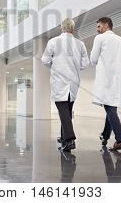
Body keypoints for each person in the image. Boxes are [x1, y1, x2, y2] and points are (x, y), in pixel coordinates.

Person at [42, 18, 89, 152]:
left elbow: (45, 60)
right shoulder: (80, 44)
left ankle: (69, 139)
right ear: (73, 29)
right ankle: (64, 138)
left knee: (63, 111)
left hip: (59, 81)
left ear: (61, 28)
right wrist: (74, 66)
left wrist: (54, 66)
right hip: (74, 82)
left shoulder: (54, 42)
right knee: (67, 111)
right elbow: (85, 64)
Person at [90, 17, 121, 151]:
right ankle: (105, 135)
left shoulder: (100, 39)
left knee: (110, 108)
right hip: (118, 79)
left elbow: (94, 59)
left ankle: (120, 139)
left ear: (106, 25)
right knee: (111, 106)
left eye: (99, 26)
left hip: (106, 78)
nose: (97, 29)